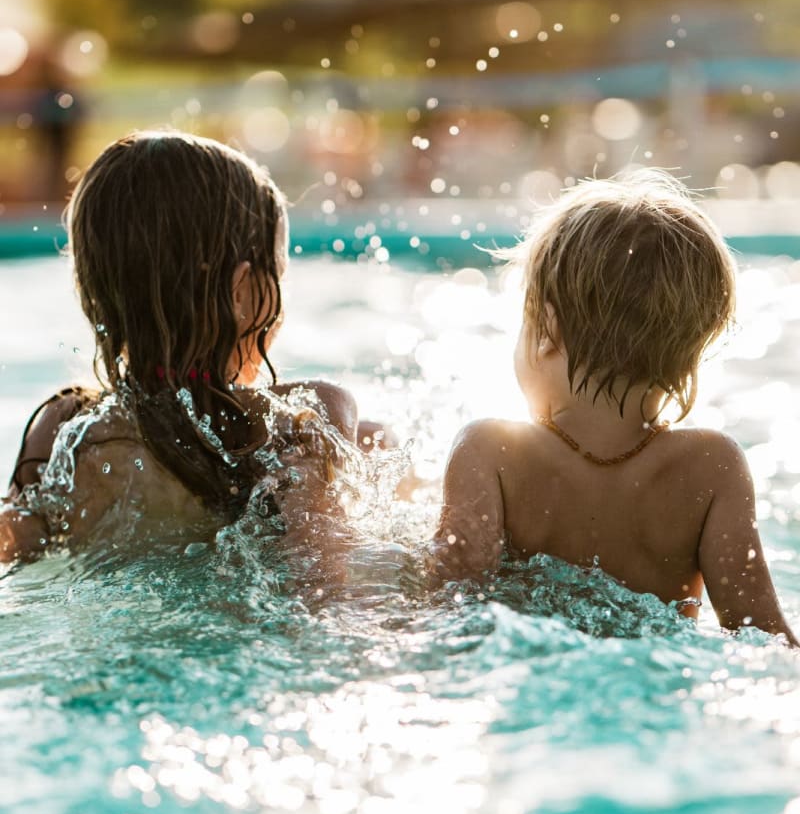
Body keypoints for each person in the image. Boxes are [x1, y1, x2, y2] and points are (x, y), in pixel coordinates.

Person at [434, 169, 798, 646]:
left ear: (547, 329)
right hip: (659, 689)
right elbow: (764, 638)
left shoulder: (490, 451)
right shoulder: (713, 467)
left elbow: (449, 614)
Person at [0, 130, 362, 563]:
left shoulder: (65, 430)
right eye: (278, 274)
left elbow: (13, 544)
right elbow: (322, 588)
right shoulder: (303, 417)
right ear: (242, 291)